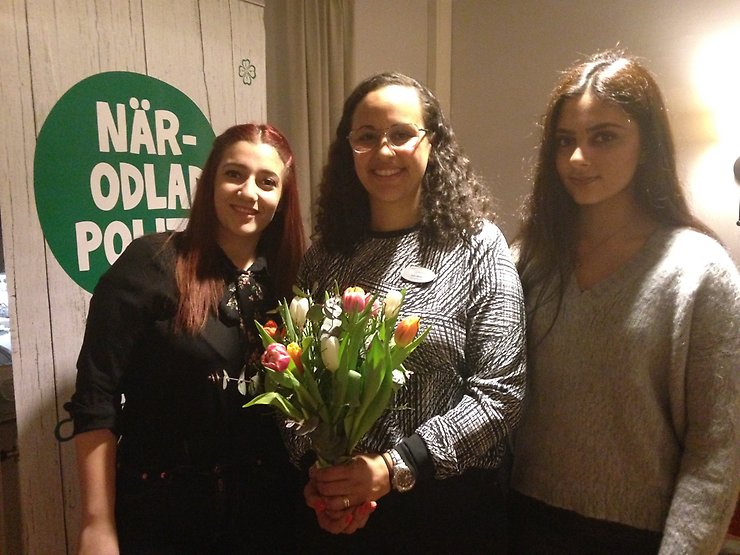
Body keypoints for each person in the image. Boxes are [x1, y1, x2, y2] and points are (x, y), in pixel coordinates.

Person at [510, 49, 740, 554]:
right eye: (565, 141)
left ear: (647, 145)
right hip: (518, 523)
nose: (578, 158)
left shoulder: (700, 273)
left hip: (636, 538)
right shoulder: (528, 260)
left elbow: (714, 456)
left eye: (604, 137)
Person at [290, 72, 527, 553]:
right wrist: (322, 475)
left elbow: (502, 393)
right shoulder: (324, 257)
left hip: (449, 517)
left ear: (432, 141)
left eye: (401, 134)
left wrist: (395, 466)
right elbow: (295, 378)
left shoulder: (479, 247)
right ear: (349, 148)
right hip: (343, 516)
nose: (384, 151)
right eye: (366, 136)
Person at [62, 123, 306, 554]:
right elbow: (96, 399)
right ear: (209, 181)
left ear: (283, 197)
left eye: (267, 182)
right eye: (234, 174)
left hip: (268, 514)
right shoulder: (150, 262)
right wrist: (97, 524)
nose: (249, 192)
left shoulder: (292, 282)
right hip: (163, 514)